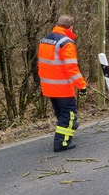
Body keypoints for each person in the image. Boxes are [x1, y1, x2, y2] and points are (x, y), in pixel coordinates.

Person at [38, 14, 88, 152]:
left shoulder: (45, 40)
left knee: (61, 113)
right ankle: (62, 142)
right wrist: (81, 85)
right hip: (62, 86)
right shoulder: (66, 43)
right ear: (71, 27)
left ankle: (68, 130)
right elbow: (71, 67)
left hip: (48, 85)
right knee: (68, 113)